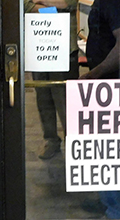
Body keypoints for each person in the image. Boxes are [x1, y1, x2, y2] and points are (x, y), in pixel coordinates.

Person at [80, 0, 120, 219]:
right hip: (110, 86)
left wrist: (93, 74)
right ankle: (109, 200)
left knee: (118, 152)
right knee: (108, 150)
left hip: (118, 85)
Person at [24, 0, 79, 160]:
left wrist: (39, 2)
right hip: (39, 45)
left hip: (64, 48)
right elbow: (25, 6)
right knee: (43, 97)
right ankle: (51, 140)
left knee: (65, 100)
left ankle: (73, 141)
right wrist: (50, 8)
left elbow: (66, 4)